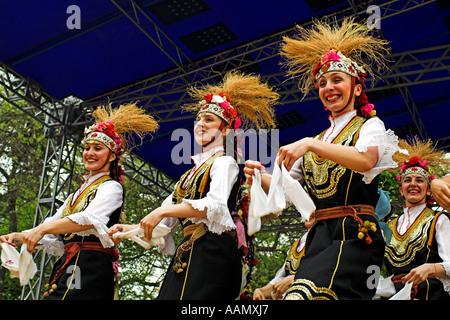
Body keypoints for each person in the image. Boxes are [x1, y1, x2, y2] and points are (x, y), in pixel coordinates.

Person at [244, 18, 405, 300]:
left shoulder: (369, 126)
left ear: (356, 88)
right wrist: (259, 178)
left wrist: (309, 145)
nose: (328, 87)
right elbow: (284, 191)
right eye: (322, 83)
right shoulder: (316, 141)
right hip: (319, 238)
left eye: (337, 80)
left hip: (354, 236)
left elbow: (367, 160)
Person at [108, 71, 279, 300]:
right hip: (187, 256)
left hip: (213, 256)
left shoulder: (225, 162)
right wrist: (126, 229)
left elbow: (215, 206)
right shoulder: (188, 175)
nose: (200, 124)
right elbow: (165, 224)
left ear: (225, 130)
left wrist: (161, 211)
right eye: (198, 119)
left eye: (209, 120)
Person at [0, 103, 158, 300]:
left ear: (111, 156)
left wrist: (42, 230)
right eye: (87, 148)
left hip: (90, 265)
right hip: (71, 263)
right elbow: (50, 227)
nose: (89, 153)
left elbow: (89, 219)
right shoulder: (77, 194)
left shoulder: (112, 187)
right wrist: (16, 237)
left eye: (97, 148)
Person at [381, 138, 450, 300]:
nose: (413, 184)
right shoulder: (388, 226)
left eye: (420, 180)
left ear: (428, 190)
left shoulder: (439, 220)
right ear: (401, 190)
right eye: (407, 180)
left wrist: (430, 268)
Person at [253, 220, 313, 300]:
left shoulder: (331, 239)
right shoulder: (298, 244)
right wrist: (260, 291)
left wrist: (295, 279)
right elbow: (280, 281)